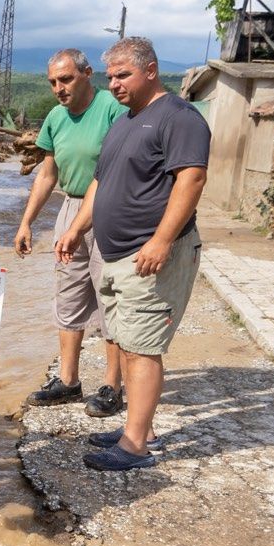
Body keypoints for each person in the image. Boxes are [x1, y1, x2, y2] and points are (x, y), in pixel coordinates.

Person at [54, 37, 209, 472]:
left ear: (151, 70)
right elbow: (100, 184)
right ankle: (140, 428)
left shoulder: (179, 118)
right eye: (111, 76)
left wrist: (161, 240)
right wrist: (76, 228)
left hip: (150, 252)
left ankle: (135, 444)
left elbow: (191, 180)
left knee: (142, 348)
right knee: (122, 339)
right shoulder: (124, 121)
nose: (115, 84)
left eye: (124, 74)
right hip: (116, 252)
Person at [15, 49, 128, 416]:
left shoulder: (112, 108)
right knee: (68, 292)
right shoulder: (55, 117)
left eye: (65, 80)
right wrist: (27, 221)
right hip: (71, 207)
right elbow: (48, 174)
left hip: (110, 209)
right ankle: (68, 381)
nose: (58, 89)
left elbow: (120, 166)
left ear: (87, 74)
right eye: (52, 83)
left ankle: (112, 386)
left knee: (110, 295)